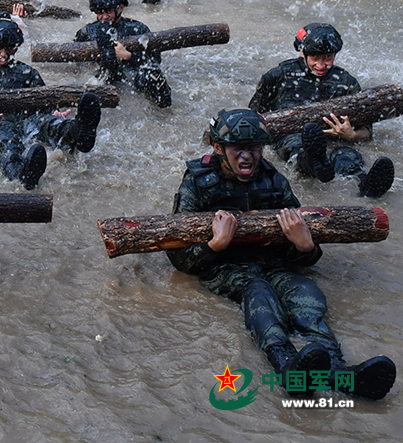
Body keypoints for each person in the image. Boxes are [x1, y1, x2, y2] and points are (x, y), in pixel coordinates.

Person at [167, 108, 396, 400]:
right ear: (218, 148)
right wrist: (214, 246)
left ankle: (340, 372)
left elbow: (304, 248)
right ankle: (288, 367)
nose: (247, 156)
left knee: (306, 295)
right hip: (225, 267)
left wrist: (305, 247)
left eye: (254, 148)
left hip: (273, 262)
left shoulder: (274, 180)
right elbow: (178, 259)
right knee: (258, 294)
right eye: (238, 149)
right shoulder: (197, 182)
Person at [248, 22, 394, 198]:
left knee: (346, 156)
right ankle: (313, 165)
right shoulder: (278, 76)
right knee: (297, 149)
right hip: (291, 135)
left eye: (327, 57)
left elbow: (367, 131)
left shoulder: (346, 82)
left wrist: (352, 135)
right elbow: (253, 115)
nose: (321, 64)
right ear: (303, 53)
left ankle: (366, 186)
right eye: (315, 58)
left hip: (333, 137)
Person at [0, 19, 102, 188]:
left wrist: (53, 112)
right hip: (1, 123)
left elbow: (43, 98)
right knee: (6, 144)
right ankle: (23, 174)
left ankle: (79, 133)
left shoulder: (27, 72)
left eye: (9, 49)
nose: (3, 54)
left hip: (30, 118)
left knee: (51, 124)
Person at [73, 0, 171, 108]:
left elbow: (155, 60)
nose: (104, 16)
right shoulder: (87, 32)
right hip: (107, 76)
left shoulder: (137, 29)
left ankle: (162, 112)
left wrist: (128, 56)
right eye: (99, 12)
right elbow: (76, 62)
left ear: (120, 7)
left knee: (153, 75)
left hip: (133, 76)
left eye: (108, 11)